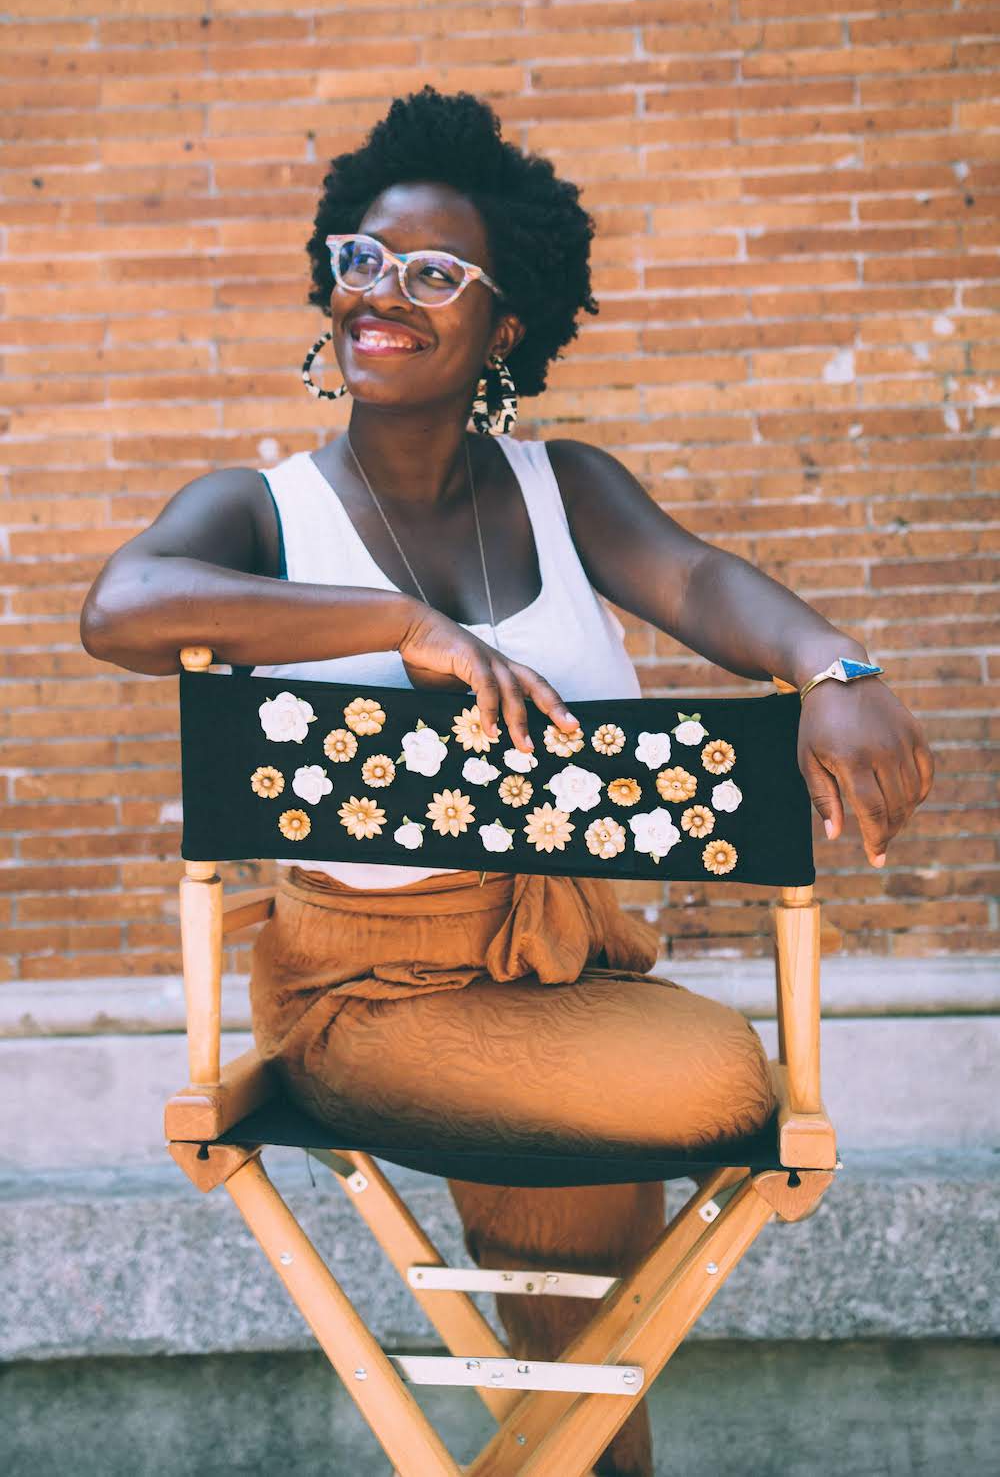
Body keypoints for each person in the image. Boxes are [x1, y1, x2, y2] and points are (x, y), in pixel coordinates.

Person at [80, 86, 934, 1477]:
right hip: (373, 997)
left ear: (505, 325)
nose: (381, 294)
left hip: (571, 971)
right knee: (717, 1080)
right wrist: (400, 625)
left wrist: (834, 668)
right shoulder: (260, 508)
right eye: (362, 260)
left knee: (584, 1319)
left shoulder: (565, 489)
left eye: (432, 274)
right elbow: (122, 608)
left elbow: (697, 581)